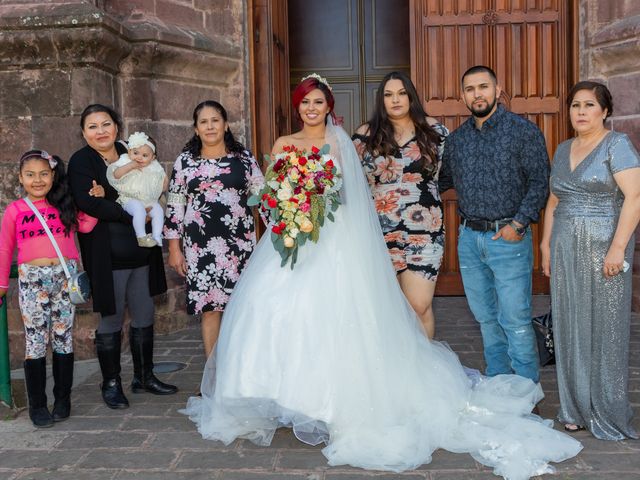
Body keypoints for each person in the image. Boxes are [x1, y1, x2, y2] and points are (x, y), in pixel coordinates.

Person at [181, 74, 582, 478]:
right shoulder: (296, 143)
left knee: (398, 310)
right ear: (299, 107)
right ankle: (288, 397)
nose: (311, 108)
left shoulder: (352, 142)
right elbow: (271, 195)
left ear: (328, 106)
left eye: (318, 102)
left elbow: (357, 192)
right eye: (305, 102)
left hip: (346, 238)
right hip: (297, 236)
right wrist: (291, 213)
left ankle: (373, 388)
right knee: (282, 311)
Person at [540, 81, 640, 439]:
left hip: (604, 250)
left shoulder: (617, 145)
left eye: (589, 105)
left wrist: (617, 248)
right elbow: (553, 201)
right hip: (565, 248)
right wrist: (546, 245)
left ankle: (606, 409)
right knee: (569, 325)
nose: (580, 112)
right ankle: (574, 408)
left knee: (605, 328)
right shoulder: (563, 148)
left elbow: (635, 197)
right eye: (575, 105)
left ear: (605, 111)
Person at [439, 65, 548, 385]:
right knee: (486, 318)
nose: (477, 94)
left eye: (483, 87)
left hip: (509, 237)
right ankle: (500, 382)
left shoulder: (523, 131)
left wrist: (519, 223)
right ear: (462, 96)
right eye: (470, 89)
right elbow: (443, 181)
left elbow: (540, 181)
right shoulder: (457, 141)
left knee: (514, 319)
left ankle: (527, 391)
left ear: (497, 89)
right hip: (470, 239)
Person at [68, 104, 177, 410]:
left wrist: (114, 196)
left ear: (117, 127)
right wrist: (126, 210)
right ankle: (111, 382)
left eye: (106, 124)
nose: (100, 131)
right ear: (83, 132)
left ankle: (144, 376)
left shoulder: (131, 150)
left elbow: (152, 185)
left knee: (144, 313)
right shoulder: (81, 161)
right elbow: (88, 203)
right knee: (112, 316)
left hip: (141, 251)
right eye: (92, 126)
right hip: (107, 253)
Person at [0, 150, 98, 427]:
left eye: (44, 173)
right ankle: (38, 405)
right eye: (30, 175)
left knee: (63, 338)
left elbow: (88, 224)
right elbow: (5, 247)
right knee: (35, 342)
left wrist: (93, 198)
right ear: (20, 178)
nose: (38, 180)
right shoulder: (15, 210)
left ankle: (63, 399)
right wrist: (1, 284)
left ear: (53, 176)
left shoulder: (63, 206)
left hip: (63, 278)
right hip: (32, 281)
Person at [164, 100, 264, 359]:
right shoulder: (185, 162)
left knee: (240, 308)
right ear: (196, 129)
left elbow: (263, 197)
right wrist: (174, 248)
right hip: (200, 248)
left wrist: (287, 221)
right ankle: (213, 376)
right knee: (210, 309)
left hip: (239, 246)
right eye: (203, 122)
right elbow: (175, 205)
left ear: (226, 125)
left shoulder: (243, 158)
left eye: (215, 120)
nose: (210, 126)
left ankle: (240, 373)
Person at [353, 71, 448, 338]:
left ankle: (424, 369)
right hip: (380, 232)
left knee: (419, 304)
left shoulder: (435, 131)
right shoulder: (365, 135)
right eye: (388, 94)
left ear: (411, 96)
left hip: (425, 230)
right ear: (381, 100)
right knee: (388, 309)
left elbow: (448, 174)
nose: (395, 100)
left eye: (401, 93)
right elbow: (351, 181)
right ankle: (397, 371)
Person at [106, 131, 167, 248]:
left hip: (148, 199)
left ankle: (157, 235)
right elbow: (116, 175)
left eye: (145, 156)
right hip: (129, 198)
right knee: (139, 210)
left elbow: (163, 180)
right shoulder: (125, 160)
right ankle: (141, 236)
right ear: (129, 151)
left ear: (152, 157)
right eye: (135, 153)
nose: (139, 157)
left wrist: (164, 183)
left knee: (158, 211)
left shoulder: (154, 166)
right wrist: (130, 166)